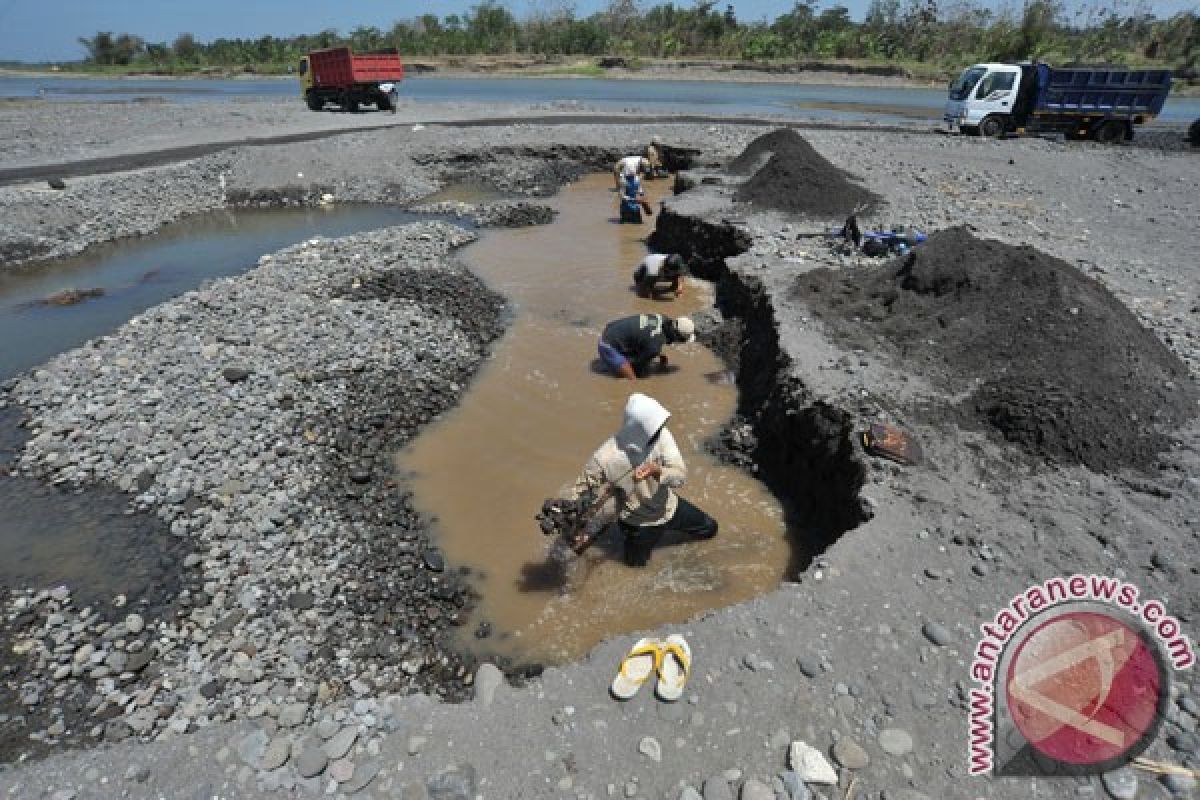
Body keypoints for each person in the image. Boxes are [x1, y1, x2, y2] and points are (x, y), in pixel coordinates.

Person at [570, 393, 717, 567]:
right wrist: (573, 524)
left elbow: (680, 477)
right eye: (656, 427)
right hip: (638, 524)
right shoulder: (605, 457)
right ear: (639, 428)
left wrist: (657, 471)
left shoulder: (662, 436)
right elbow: (580, 491)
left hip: (670, 507)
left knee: (710, 529)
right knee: (635, 568)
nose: (661, 428)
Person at [598, 313, 695, 381]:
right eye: (682, 340)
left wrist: (656, 354)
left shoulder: (662, 317)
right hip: (606, 346)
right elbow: (638, 366)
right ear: (676, 336)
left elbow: (646, 334)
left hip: (610, 329)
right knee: (633, 380)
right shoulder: (654, 346)